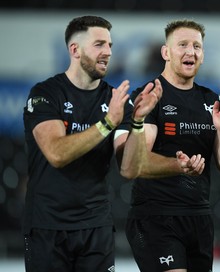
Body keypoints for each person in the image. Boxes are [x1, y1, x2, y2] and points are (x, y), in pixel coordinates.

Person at [22, 15, 161, 272]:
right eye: (99, 44)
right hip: (47, 227)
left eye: (109, 45)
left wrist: (139, 122)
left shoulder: (115, 99)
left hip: (96, 228)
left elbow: (129, 169)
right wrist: (106, 124)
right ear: (74, 50)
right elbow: (56, 153)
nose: (108, 52)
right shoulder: (45, 94)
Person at [122, 19, 220, 272]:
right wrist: (178, 166)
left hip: (199, 218)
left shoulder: (210, 100)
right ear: (166, 52)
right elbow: (137, 162)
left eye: (197, 46)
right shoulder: (149, 96)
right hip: (156, 216)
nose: (191, 51)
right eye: (183, 45)